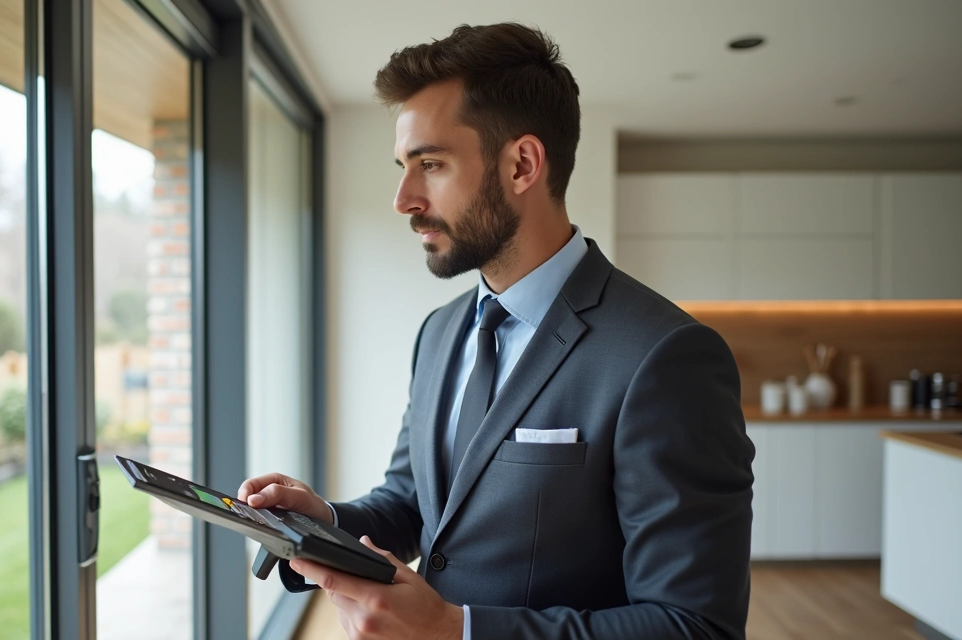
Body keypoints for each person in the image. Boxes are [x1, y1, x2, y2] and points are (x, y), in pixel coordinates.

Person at [237, 22, 754, 640]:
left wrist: (460, 631)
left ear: (522, 164)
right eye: (405, 166)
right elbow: (414, 506)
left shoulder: (665, 357)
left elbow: (695, 626)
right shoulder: (440, 332)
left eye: (430, 164)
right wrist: (322, 521)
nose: (403, 197)